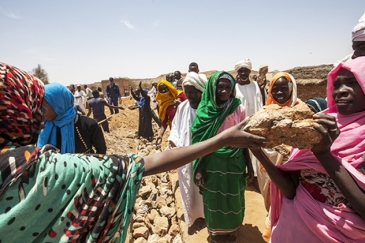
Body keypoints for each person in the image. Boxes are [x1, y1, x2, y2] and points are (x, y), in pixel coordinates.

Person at [0, 62, 266, 243]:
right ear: (17, 113)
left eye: (42, 108)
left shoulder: (33, 159)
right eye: (35, 107)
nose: (40, 117)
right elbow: (133, 165)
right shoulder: (42, 167)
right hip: (202, 164)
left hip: (225, 169)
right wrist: (220, 142)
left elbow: (101, 155)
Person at [251, 57, 365, 242]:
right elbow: (291, 190)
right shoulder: (319, 125)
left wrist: (324, 155)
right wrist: (258, 153)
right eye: (336, 85)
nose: (341, 91)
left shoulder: (320, 128)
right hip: (292, 229)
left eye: (352, 83)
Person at [192, 71, 247, 243]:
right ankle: (215, 233)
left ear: (232, 89)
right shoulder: (204, 111)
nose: (224, 91)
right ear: (213, 89)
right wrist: (198, 168)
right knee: (213, 199)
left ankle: (232, 231)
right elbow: (197, 143)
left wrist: (250, 167)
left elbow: (245, 137)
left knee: (234, 198)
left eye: (227, 88)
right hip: (211, 163)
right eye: (220, 87)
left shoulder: (239, 108)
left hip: (235, 162)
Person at [253, 72, 299, 242]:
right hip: (269, 165)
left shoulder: (300, 110)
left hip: (293, 170)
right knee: (271, 201)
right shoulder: (265, 113)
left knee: (288, 204)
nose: (279, 93)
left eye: (283, 88)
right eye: (275, 89)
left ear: (291, 88)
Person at [168, 72, 208, 230]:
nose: (189, 95)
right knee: (187, 187)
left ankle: (207, 216)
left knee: (203, 188)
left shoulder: (207, 109)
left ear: (200, 91)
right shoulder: (183, 107)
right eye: (187, 91)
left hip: (204, 157)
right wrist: (173, 140)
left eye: (192, 92)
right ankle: (193, 217)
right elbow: (176, 127)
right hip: (185, 156)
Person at [37, 83, 107, 154]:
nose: (40, 111)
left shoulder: (89, 125)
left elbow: (101, 152)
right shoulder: (44, 127)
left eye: (43, 107)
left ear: (58, 105)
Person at [234, 58, 266, 185]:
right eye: (240, 70)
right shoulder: (235, 88)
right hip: (241, 124)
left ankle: (258, 176)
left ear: (249, 71)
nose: (243, 73)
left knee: (258, 149)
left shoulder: (256, 85)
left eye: (245, 70)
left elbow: (261, 102)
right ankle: (248, 174)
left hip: (257, 124)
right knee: (244, 150)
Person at [155, 80, 187, 144]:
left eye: (165, 88)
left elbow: (192, 107)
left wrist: (181, 104)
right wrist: (160, 134)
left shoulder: (180, 95)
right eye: (161, 89)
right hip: (175, 131)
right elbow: (165, 121)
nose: (164, 91)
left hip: (186, 127)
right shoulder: (163, 104)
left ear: (169, 87)